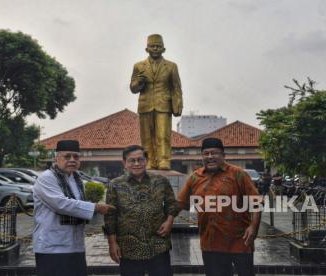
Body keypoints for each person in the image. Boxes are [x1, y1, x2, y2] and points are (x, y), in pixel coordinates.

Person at [177, 138, 262, 276]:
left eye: (214, 153)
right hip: (210, 242)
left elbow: (257, 202)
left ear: (223, 155)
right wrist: (167, 221)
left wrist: (253, 227)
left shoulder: (238, 174)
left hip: (240, 240)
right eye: (206, 153)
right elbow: (180, 203)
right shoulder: (195, 178)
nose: (210, 157)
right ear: (202, 156)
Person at [32, 140, 115, 276]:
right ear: (56, 158)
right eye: (67, 156)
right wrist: (95, 207)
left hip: (75, 245)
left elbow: (78, 205)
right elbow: (62, 204)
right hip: (52, 247)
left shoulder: (76, 178)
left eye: (76, 157)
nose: (72, 160)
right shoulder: (47, 178)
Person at [104, 145, 179, 276]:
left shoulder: (161, 181)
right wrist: (112, 243)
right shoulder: (115, 185)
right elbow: (110, 216)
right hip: (128, 247)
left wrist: (169, 222)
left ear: (146, 161)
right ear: (124, 163)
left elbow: (172, 204)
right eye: (132, 160)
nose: (136, 164)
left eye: (140, 159)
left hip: (158, 244)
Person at [130, 34, 183, 170]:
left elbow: (176, 87)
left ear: (163, 49)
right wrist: (139, 82)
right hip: (145, 104)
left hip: (164, 105)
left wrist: (178, 106)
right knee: (146, 137)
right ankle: (149, 161)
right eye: (152, 46)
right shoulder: (138, 66)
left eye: (158, 46)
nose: (155, 48)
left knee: (163, 135)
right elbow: (133, 88)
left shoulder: (171, 66)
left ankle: (164, 160)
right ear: (146, 49)